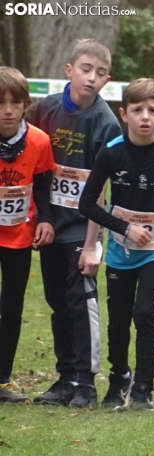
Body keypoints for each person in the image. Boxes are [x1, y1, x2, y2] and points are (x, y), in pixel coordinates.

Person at [79, 78, 154, 410]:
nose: (145, 116)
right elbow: (87, 203)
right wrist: (125, 228)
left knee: (145, 312)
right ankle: (119, 379)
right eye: (137, 110)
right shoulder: (112, 152)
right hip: (120, 250)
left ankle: (144, 387)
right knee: (118, 319)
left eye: (152, 110)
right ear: (124, 114)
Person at [32, 38, 122, 409]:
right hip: (50, 223)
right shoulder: (46, 110)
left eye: (100, 73)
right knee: (57, 301)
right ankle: (64, 376)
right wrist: (43, 218)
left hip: (81, 227)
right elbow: (37, 170)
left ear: (107, 80)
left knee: (81, 300)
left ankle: (85, 381)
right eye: (86, 69)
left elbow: (101, 190)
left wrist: (92, 243)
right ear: (69, 70)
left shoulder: (106, 123)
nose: (92, 78)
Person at [0, 67, 55, 403]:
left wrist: (46, 220)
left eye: (14, 102)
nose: (7, 109)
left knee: (12, 306)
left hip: (19, 238)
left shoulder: (38, 141)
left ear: (25, 106)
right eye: (0, 102)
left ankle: (3, 379)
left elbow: (44, 188)